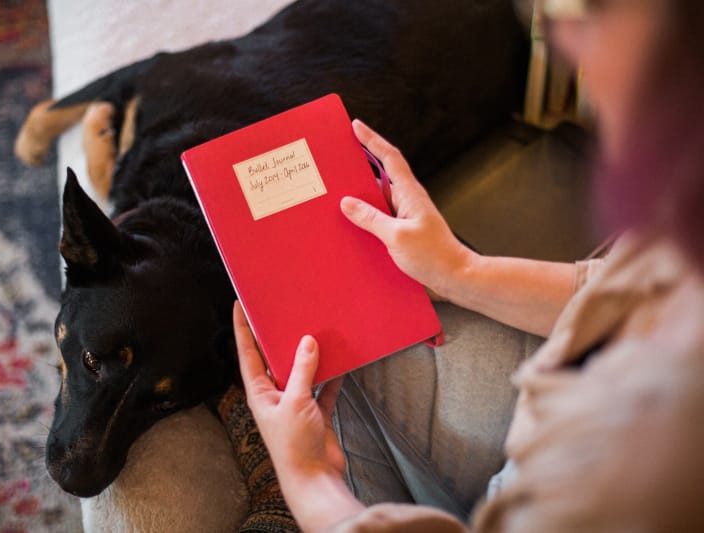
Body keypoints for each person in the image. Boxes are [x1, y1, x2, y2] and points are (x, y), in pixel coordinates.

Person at [234, 0, 704, 530]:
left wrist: (305, 478)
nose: (560, 35)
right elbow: (631, 289)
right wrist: (460, 271)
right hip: (586, 386)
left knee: (322, 374)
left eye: (583, 10)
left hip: (572, 471)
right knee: (351, 335)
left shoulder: (647, 470)